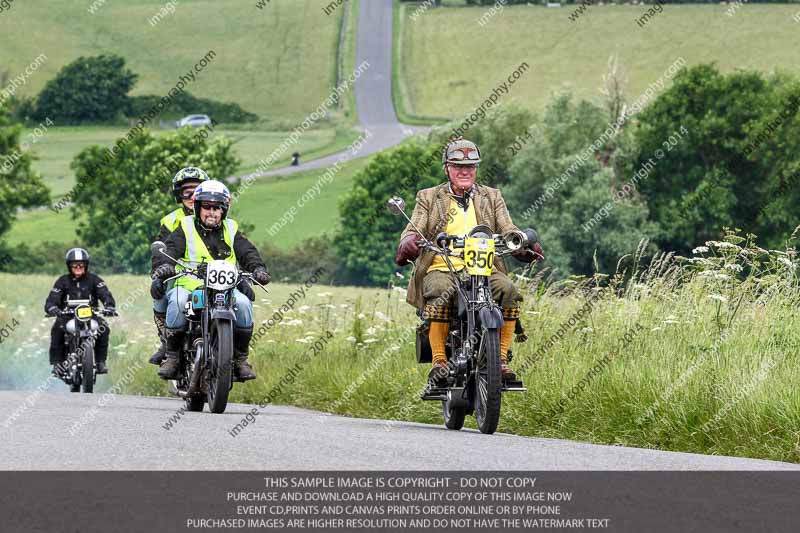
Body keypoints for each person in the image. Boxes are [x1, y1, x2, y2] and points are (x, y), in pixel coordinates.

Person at [394, 138, 544, 385]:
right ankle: (439, 361)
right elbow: (415, 227)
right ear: (447, 168)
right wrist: (408, 241)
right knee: (441, 291)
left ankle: (501, 359)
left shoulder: (492, 196)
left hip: (485, 266)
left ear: (476, 169)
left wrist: (522, 241)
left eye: (470, 166)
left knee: (509, 290)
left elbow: (507, 227)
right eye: (457, 166)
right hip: (443, 265)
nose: (464, 171)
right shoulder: (429, 197)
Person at [151, 180, 270, 381]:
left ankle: (240, 360)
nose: (211, 212)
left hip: (226, 286)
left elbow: (247, 252)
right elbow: (170, 249)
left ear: (224, 210)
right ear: (198, 208)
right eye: (206, 207)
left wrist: (258, 269)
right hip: (189, 282)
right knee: (178, 301)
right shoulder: (185, 227)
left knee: (243, 304)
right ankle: (173, 357)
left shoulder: (231, 229)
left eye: (217, 208)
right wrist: (164, 266)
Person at [149, 166, 209, 366]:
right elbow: (161, 250)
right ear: (179, 196)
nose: (193, 197)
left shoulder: (216, 216)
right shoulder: (171, 220)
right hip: (178, 275)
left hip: (213, 277)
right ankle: (167, 344)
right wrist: (158, 275)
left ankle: (230, 353)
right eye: (187, 193)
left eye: (198, 191)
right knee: (161, 298)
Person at [45, 248, 117, 375]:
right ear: (69, 266)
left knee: (104, 328)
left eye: (81, 264)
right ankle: (57, 364)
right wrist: (52, 308)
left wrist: (109, 306)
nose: (78, 267)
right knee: (57, 329)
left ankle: (100, 362)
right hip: (67, 315)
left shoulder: (95, 280)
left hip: (90, 315)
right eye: (74, 264)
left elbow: (105, 294)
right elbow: (53, 297)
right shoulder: (62, 281)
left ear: (86, 265)